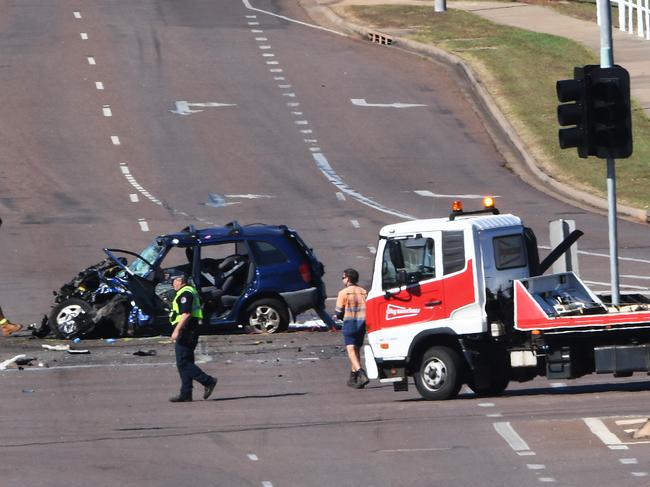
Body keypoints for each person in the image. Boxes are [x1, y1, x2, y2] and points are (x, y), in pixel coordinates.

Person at [168, 272, 217, 403]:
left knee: (183, 362)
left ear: (181, 280)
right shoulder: (188, 291)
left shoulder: (186, 293)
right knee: (185, 362)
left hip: (187, 330)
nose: (172, 283)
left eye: (174, 280)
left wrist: (176, 330)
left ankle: (208, 381)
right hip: (190, 330)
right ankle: (186, 393)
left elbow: (186, 313)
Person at [335, 268, 369, 389]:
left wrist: (338, 315)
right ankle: (353, 378)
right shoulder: (363, 292)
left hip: (349, 323)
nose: (342, 280)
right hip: (362, 323)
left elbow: (338, 312)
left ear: (348, 278)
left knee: (350, 350)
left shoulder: (343, 293)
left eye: (343, 277)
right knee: (356, 350)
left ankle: (361, 373)